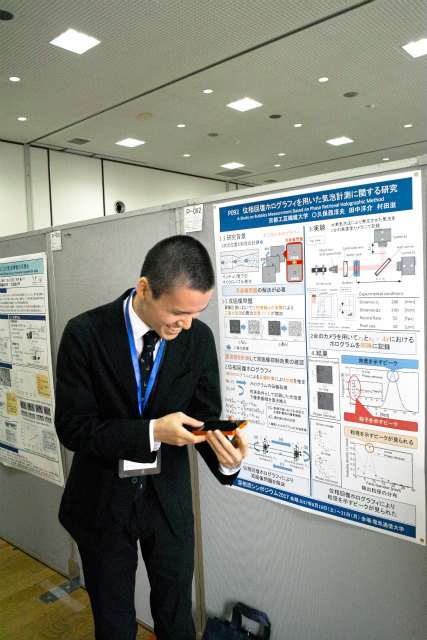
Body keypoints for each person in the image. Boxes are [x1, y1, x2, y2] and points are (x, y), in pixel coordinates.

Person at [54, 235, 248, 640]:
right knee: (114, 623)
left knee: (177, 619)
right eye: (178, 312)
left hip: (167, 504)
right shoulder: (85, 333)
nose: (187, 324)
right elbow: (73, 426)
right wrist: (151, 431)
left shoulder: (197, 339)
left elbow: (203, 418)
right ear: (145, 289)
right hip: (103, 502)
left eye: (197, 312)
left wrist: (227, 458)